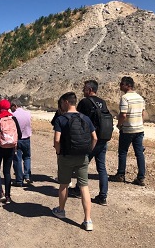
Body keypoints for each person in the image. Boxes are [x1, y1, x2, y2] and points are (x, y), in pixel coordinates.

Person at [52, 92, 97, 231]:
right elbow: (94, 138)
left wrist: (58, 152)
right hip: (82, 156)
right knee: (84, 187)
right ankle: (88, 220)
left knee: (64, 184)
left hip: (66, 156)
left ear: (66, 102)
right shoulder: (85, 118)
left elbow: (57, 140)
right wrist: (88, 151)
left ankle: (61, 210)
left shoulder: (61, 119)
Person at [72, 80, 110, 205]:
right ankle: (103, 196)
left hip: (91, 139)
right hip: (103, 138)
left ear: (89, 89)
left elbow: (77, 118)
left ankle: (78, 190)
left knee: (82, 164)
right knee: (102, 168)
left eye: (84, 89)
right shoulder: (102, 102)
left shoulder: (85, 102)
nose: (83, 91)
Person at [109, 76, 146, 186]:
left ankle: (120, 174)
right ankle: (141, 177)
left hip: (128, 130)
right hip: (139, 129)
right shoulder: (140, 97)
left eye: (121, 84)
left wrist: (119, 125)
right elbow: (143, 114)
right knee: (139, 153)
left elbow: (123, 114)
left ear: (127, 85)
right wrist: (140, 124)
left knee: (123, 152)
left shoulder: (125, 98)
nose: (120, 86)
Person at [0, 99, 22, 204]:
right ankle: (8, 196)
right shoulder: (13, 118)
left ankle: (0, 193)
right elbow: (20, 135)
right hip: (11, 148)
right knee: (7, 171)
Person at [10, 99, 32, 186]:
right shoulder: (28, 113)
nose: (10, 108)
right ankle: (27, 176)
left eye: (11, 106)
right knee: (27, 157)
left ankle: (19, 180)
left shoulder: (13, 115)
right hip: (27, 138)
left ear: (15, 106)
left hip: (17, 139)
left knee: (17, 159)